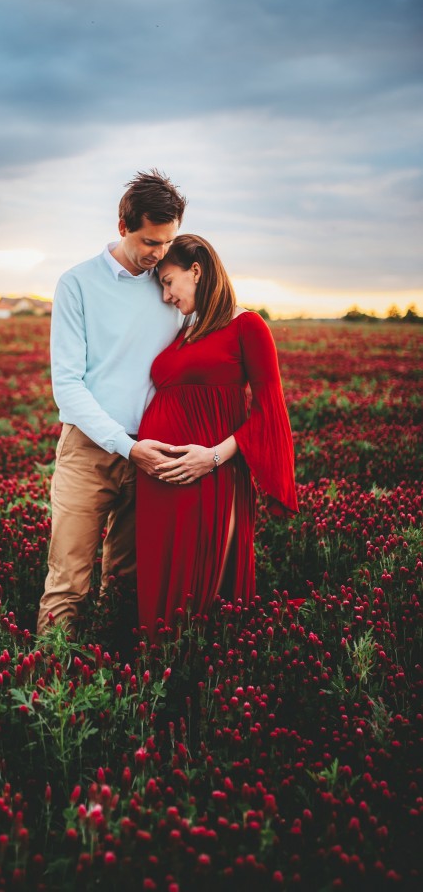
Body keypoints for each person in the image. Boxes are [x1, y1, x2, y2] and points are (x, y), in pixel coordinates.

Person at [36, 170, 188, 637]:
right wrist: (125, 445)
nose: (158, 253)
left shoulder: (171, 283)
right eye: (148, 241)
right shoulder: (77, 283)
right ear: (122, 226)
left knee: (126, 583)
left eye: (167, 242)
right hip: (90, 449)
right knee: (69, 582)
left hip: (155, 453)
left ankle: (114, 690)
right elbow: (67, 385)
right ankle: (51, 689)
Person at [136, 234, 298, 640]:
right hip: (158, 476)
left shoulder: (248, 325)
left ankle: (202, 681)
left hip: (210, 473)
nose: (166, 295)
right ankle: (157, 676)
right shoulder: (183, 329)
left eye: (169, 281)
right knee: (158, 591)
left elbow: (269, 411)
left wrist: (211, 457)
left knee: (201, 597)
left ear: (196, 270)